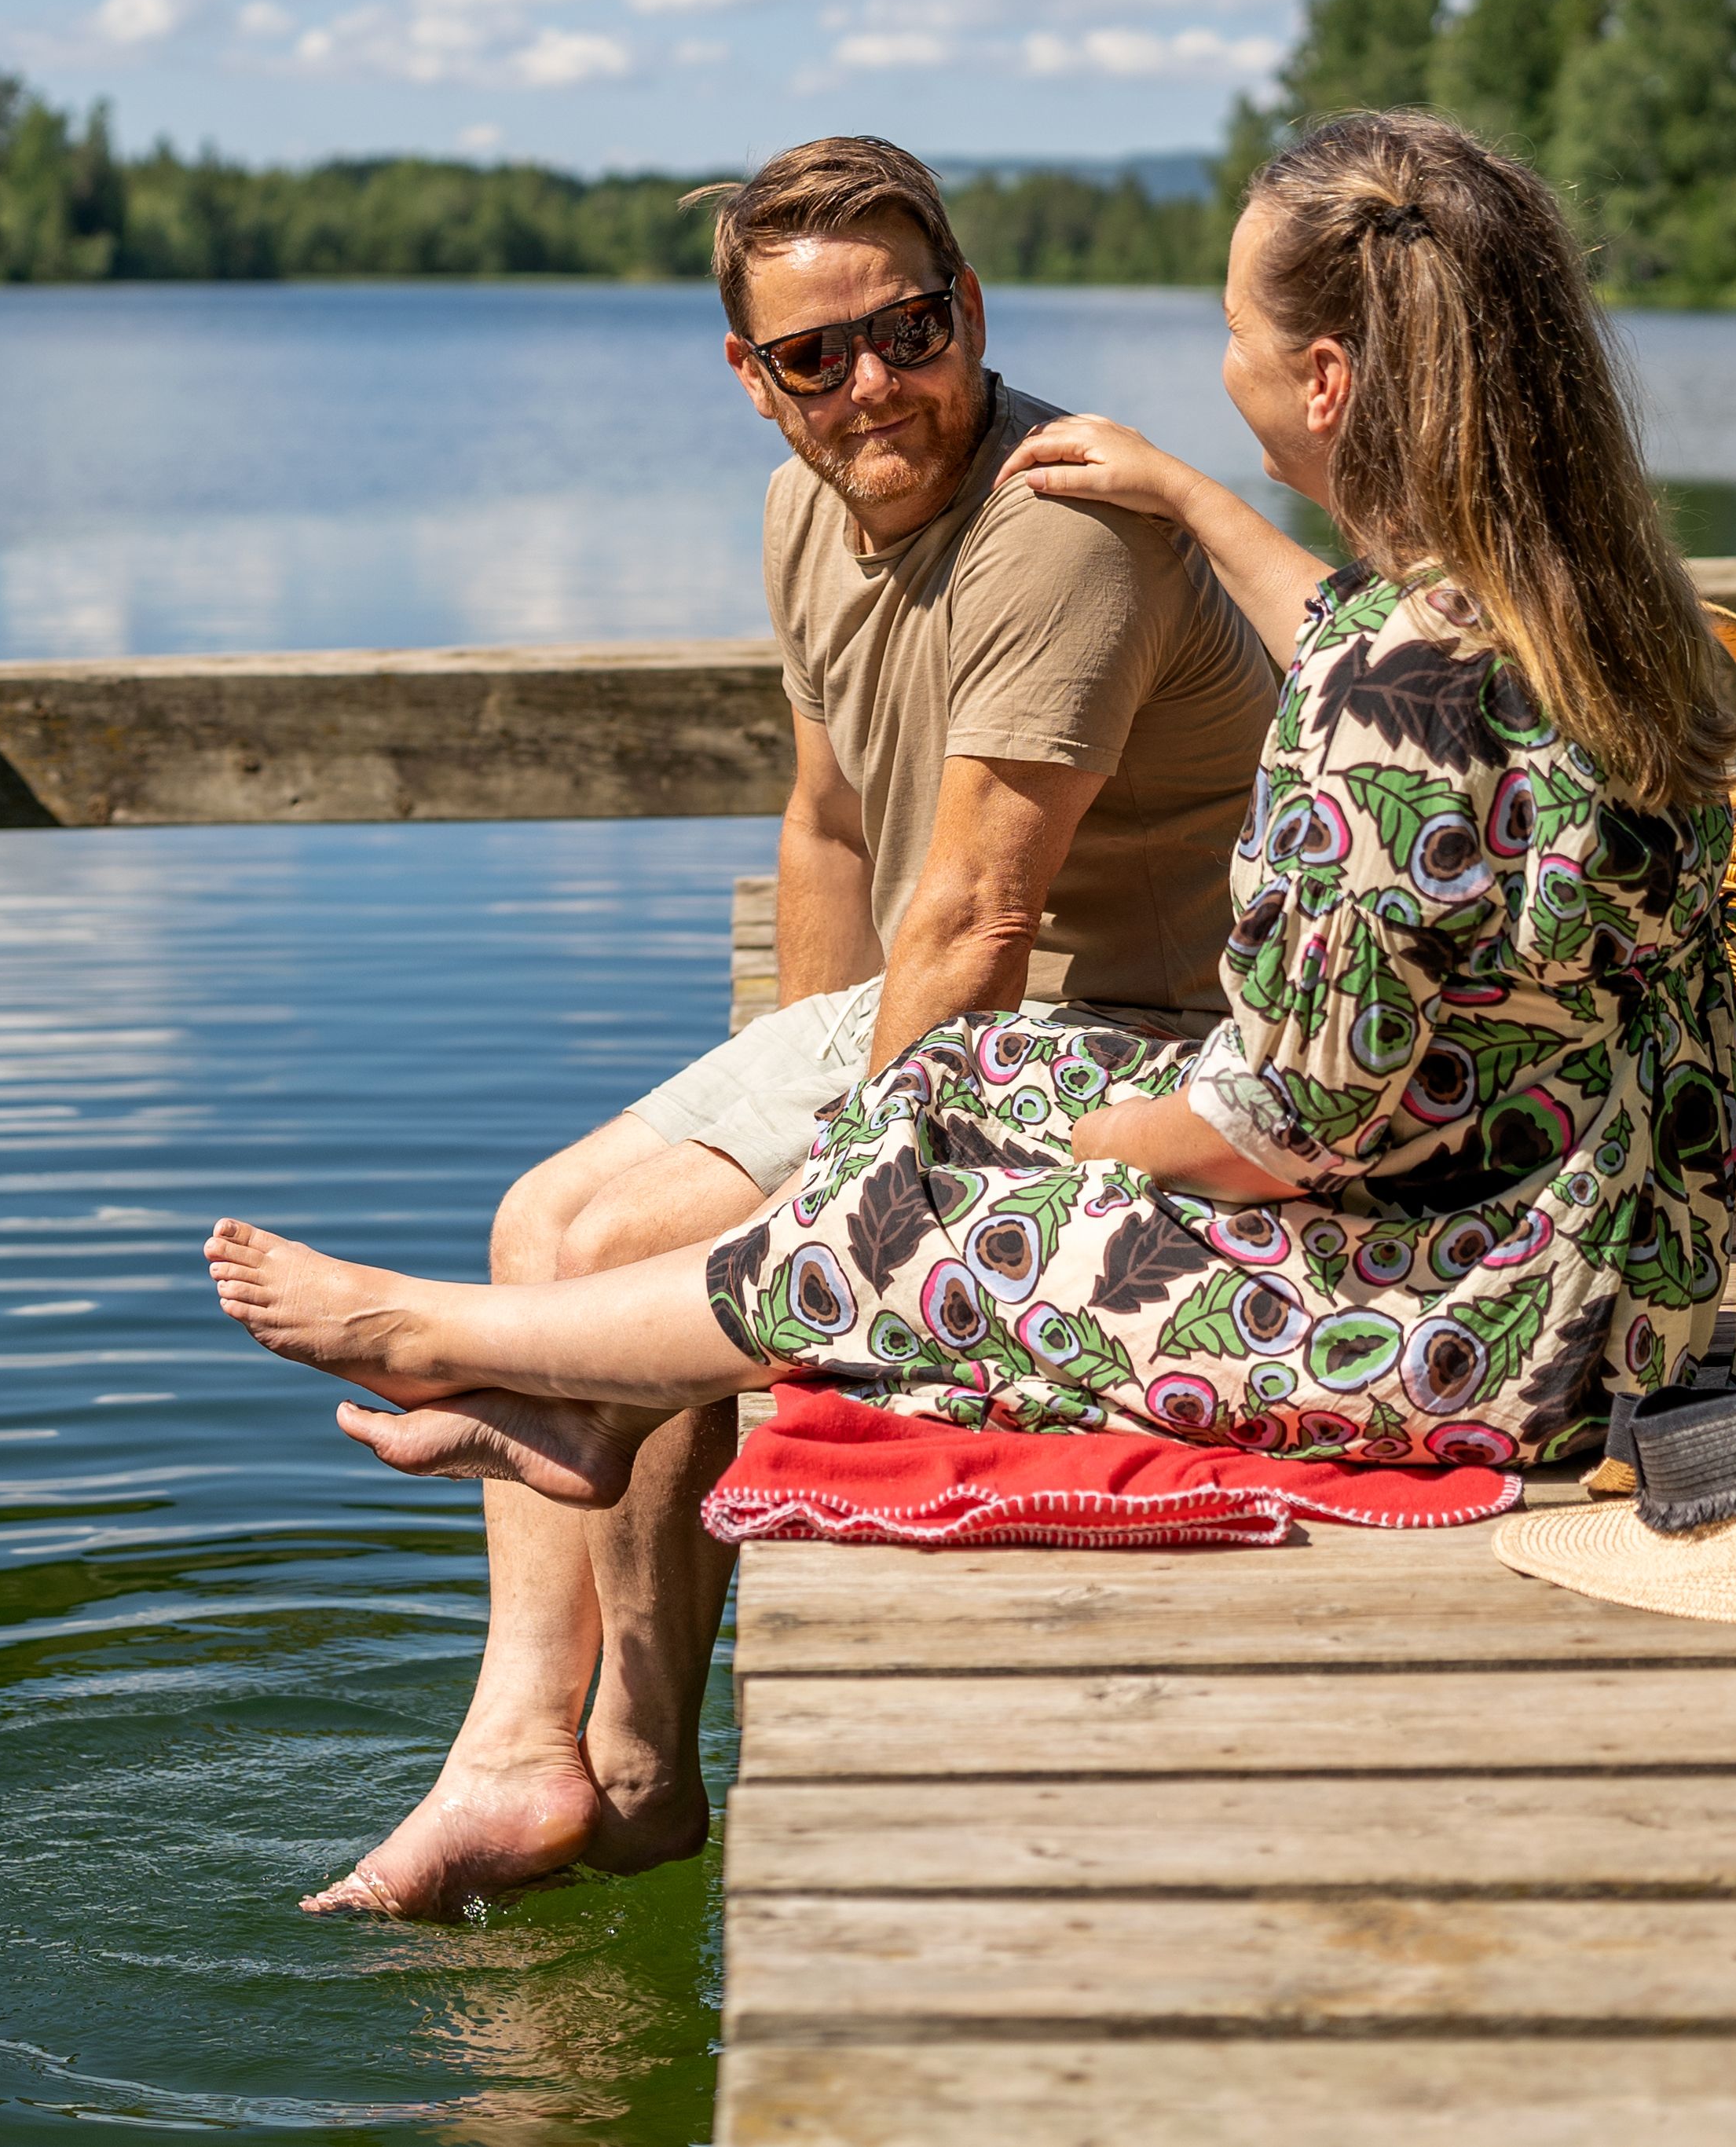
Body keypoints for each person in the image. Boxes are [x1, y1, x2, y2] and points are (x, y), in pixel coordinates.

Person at [205, 109, 1736, 1550]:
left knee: (937, 1195)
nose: (1224, 372)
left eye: (1233, 338)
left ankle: (452, 1339)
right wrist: (1201, 504)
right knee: (951, 1076)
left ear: (1325, 380)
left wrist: (1061, 1156)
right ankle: (573, 1381)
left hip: (1469, 1325)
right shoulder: (1612, 625)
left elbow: (1280, 1132)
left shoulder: (1377, 715)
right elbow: (1384, 659)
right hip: (1630, 1240)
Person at [308, 134, 1284, 1920]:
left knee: (615, 1253)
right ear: (751, 383)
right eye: (811, 358)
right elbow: (829, 828)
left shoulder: (1055, 531)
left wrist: (822, 1215)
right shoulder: (801, 514)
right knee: (545, 1224)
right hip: (959, 1008)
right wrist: (791, 1083)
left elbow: (980, 918)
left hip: (1164, 1037)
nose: (870, 386)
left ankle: (550, 1762)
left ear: (967, 313)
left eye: (904, 332)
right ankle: (606, 1764)